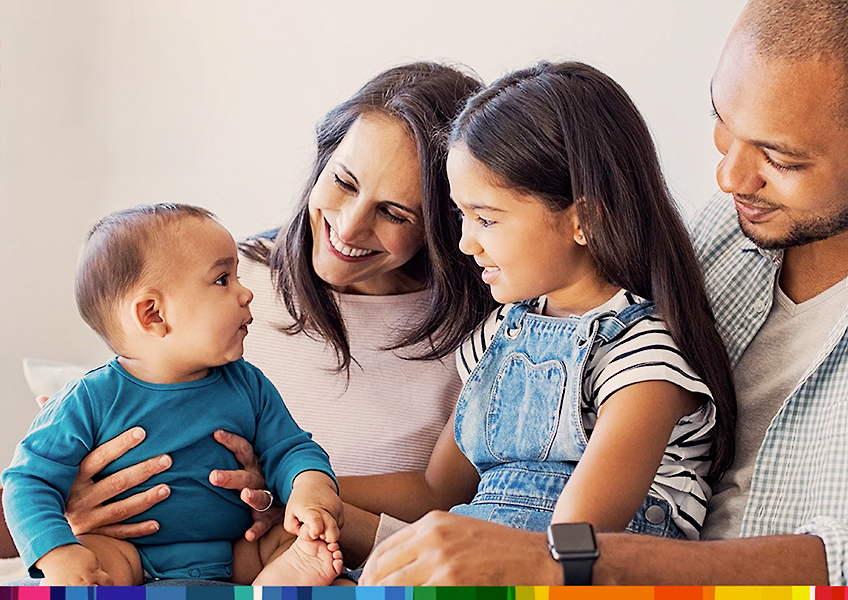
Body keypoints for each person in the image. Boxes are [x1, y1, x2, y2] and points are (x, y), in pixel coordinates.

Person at [358, 0, 848, 586]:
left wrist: (563, 559)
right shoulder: (723, 233)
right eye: (722, 125)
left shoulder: (644, 351)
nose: (729, 179)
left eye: (781, 158)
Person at [13, 62, 495, 579]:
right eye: (344, 181)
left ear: (450, 222)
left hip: (306, 549)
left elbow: (444, 507)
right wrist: (65, 522)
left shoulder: (485, 333)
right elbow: (70, 454)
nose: (349, 226)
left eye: (396, 213)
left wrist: (288, 492)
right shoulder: (207, 283)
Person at [337, 61, 737, 551]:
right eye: (461, 214)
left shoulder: (643, 359)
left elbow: (572, 545)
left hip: (558, 571)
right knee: (280, 538)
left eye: (485, 219)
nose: (465, 243)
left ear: (584, 218)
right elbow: (436, 492)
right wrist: (305, 486)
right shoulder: (498, 335)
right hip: (477, 555)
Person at [2, 204, 343, 586]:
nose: (246, 293)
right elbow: (27, 481)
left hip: (237, 548)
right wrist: (59, 553)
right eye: (222, 279)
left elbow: (291, 448)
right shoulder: (88, 399)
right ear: (153, 314)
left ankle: (279, 578)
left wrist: (310, 487)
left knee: (290, 540)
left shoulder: (248, 384)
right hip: (132, 556)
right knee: (91, 563)